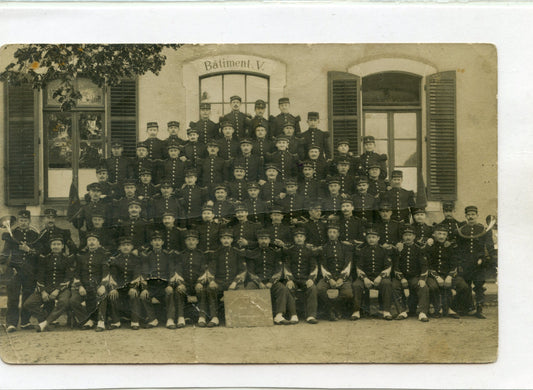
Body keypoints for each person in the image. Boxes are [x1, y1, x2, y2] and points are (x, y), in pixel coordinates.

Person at [454, 205, 497, 319]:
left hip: (479, 263)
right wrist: (460, 262)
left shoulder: (483, 230)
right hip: (465, 263)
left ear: (477, 215)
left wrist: (483, 258)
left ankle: (479, 309)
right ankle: (466, 308)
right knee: (466, 286)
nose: (471, 217)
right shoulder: (461, 230)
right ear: (466, 216)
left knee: (479, 286)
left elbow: (488, 246)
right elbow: (458, 248)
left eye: (473, 214)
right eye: (468, 215)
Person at [24, 235, 74, 332]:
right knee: (28, 303)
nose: (56, 246)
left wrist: (58, 290)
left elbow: (68, 277)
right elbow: (40, 277)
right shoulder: (44, 259)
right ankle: (44, 318)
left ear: (62, 246)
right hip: (46, 287)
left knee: (64, 302)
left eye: (58, 244)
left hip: (62, 288)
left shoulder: (68, 259)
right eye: (53, 244)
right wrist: (43, 291)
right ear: (50, 246)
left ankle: (45, 322)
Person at [1, 210, 40, 332]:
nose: (23, 223)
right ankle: (11, 323)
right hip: (14, 270)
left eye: (26, 221)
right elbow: (5, 252)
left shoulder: (35, 235)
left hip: (29, 271)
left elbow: (39, 254)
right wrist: (4, 266)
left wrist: (29, 250)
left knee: (27, 296)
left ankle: (25, 322)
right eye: (21, 220)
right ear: (18, 221)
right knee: (13, 297)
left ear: (30, 221)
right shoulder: (11, 234)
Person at [243, 230, 289, 325]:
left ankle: (279, 315)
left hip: (271, 281)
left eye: (265, 239)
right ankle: (253, 315)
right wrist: (259, 282)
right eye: (261, 239)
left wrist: (271, 282)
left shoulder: (275, 253)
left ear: (269, 240)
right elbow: (250, 271)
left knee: (282, 288)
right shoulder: (253, 253)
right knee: (249, 288)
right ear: (258, 240)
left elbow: (278, 269)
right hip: (257, 282)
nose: (263, 241)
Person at [206, 230, 247, 327]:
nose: (226, 240)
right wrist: (211, 281)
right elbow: (211, 269)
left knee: (240, 289)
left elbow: (242, 270)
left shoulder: (237, 252)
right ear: (220, 240)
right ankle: (214, 317)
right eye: (224, 238)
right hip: (220, 281)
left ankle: (236, 317)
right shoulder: (216, 253)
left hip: (233, 281)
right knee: (210, 288)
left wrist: (235, 282)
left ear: (232, 240)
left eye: (228, 238)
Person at [102, 236, 143, 330]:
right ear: (119, 248)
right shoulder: (115, 260)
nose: (125, 247)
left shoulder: (136, 259)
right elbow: (113, 276)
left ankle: (135, 321)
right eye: (123, 245)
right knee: (112, 294)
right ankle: (116, 321)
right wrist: (113, 288)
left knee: (135, 293)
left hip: (131, 286)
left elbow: (137, 275)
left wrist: (133, 287)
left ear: (132, 247)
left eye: (128, 245)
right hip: (120, 287)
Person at [70, 232, 109, 330]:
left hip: (97, 285)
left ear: (98, 243)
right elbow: (77, 273)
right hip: (85, 286)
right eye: (89, 240)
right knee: (73, 300)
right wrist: (80, 286)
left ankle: (101, 322)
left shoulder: (103, 256)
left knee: (102, 295)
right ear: (87, 243)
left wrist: (103, 285)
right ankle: (87, 321)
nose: (91, 242)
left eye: (94, 240)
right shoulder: (81, 256)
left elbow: (106, 272)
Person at [352, 227, 393, 320]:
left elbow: (388, 266)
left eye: (374, 237)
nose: (371, 239)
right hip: (366, 278)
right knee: (356, 285)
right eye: (369, 237)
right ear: (366, 239)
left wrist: (380, 277)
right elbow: (359, 267)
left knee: (387, 283)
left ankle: (386, 311)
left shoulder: (384, 250)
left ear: (378, 238)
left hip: (379, 278)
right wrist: (365, 278)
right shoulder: (362, 251)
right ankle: (356, 311)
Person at [392, 225, 430, 322]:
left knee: (423, 287)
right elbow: (395, 266)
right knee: (394, 285)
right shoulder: (398, 248)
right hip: (401, 276)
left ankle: (422, 312)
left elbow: (424, 265)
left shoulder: (419, 248)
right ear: (402, 237)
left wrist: (422, 279)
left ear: (414, 237)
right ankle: (402, 311)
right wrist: (401, 278)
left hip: (414, 277)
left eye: (410, 235)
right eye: (405, 235)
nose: (408, 237)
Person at [140, 231, 177, 329]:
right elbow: (144, 273)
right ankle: (152, 319)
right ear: (151, 243)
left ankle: (170, 319)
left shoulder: (167, 255)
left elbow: (172, 271)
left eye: (159, 240)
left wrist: (170, 285)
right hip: (152, 286)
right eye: (154, 240)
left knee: (170, 292)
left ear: (162, 242)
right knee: (144, 295)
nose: (157, 243)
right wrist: (144, 288)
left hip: (164, 285)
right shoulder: (147, 255)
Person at [282, 227, 319, 324]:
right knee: (288, 288)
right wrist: (289, 279)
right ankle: (293, 315)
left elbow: (314, 266)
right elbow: (287, 266)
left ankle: (311, 315)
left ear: (304, 238)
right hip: (293, 279)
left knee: (313, 288)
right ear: (294, 238)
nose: (299, 238)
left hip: (305, 279)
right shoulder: (290, 251)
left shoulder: (309, 251)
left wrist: (311, 279)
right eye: (297, 236)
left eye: (301, 236)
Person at [317, 224, 353, 321]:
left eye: (334, 232)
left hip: (343, 277)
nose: (332, 234)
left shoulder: (345, 247)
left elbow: (348, 264)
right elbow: (323, 266)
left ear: (338, 234)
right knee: (320, 289)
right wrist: (330, 279)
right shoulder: (323, 248)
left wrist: (342, 278)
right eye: (330, 232)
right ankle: (332, 309)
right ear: (327, 234)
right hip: (328, 276)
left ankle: (334, 308)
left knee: (348, 293)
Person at [174, 230, 210, 328]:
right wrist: (180, 283)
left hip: (197, 283)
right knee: (179, 291)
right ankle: (180, 318)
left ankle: (202, 317)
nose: (191, 242)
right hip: (185, 283)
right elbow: (178, 270)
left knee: (202, 290)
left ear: (197, 241)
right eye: (188, 240)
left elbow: (204, 270)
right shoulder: (181, 255)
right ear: (185, 242)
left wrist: (200, 282)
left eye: (193, 240)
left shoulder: (201, 255)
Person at [425, 224, 460, 319]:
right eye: (439, 233)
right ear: (434, 235)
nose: (441, 236)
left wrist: (449, 276)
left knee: (457, 285)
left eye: (444, 234)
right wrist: (437, 276)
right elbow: (428, 265)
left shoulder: (450, 247)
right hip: (432, 275)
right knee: (433, 286)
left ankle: (449, 308)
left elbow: (454, 263)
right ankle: (438, 308)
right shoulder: (430, 247)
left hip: (446, 273)